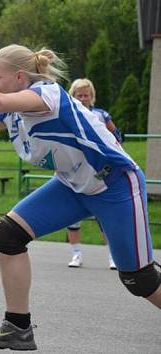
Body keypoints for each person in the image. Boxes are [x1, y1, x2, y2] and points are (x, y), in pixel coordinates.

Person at [0, 44, 161, 351]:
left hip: (114, 185)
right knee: (8, 234)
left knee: (139, 280)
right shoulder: (13, 111)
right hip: (73, 187)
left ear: (20, 77)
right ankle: (18, 328)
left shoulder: (50, 95)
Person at [66, 78, 120, 269]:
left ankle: (113, 256)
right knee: (73, 217)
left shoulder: (101, 115)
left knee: (103, 216)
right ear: (72, 96)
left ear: (92, 96)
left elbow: (117, 136)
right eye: (78, 95)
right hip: (73, 170)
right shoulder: (65, 115)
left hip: (98, 171)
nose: (82, 98)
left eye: (85, 95)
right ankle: (76, 254)